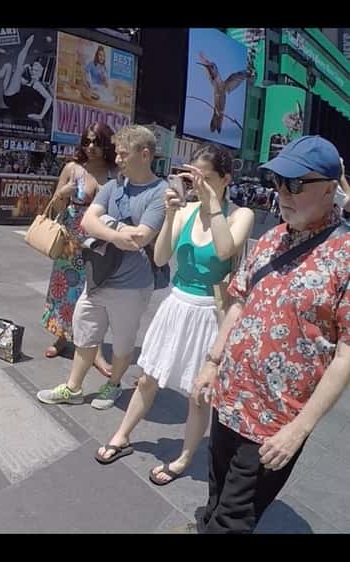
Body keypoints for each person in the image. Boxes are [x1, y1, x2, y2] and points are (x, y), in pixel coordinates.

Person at [190, 136, 350, 533]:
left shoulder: (345, 255)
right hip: (229, 397)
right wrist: (211, 363)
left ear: (330, 188)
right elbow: (239, 303)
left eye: (295, 184)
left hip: (273, 422)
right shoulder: (272, 238)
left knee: (234, 518)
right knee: (215, 490)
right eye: (278, 182)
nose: (283, 193)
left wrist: (299, 429)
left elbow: (346, 356)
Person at [94, 145, 255, 485]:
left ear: (226, 179)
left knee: (199, 395)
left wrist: (213, 206)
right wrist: (169, 216)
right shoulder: (185, 212)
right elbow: (161, 257)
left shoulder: (240, 215)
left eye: (206, 179)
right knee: (149, 375)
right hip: (176, 305)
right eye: (192, 177)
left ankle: (183, 457)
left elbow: (226, 251)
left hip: (211, 314)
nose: (197, 185)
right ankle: (122, 435)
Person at [37, 125, 168, 410]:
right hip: (97, 275)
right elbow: (87, 222)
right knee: (84, 333)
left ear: (144, 155)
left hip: (132, 284)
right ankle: (73, 387)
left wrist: (107, 226)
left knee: (122, 343)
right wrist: (119, 233)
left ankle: (113, 385)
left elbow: (141, 238)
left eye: (123, 154)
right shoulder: (112, 186)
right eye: (117, 154)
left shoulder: (160, 193)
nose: (118, 159)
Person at [41, 124, 118, 378]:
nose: (91, 147)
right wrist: (63, 193)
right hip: (72, 242)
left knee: (97, 296)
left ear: (107, 143)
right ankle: (62, 338)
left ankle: (94, 350)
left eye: (97, 142)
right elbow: (54, 205)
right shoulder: (72, 169)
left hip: (101, 243)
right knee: (66, 292)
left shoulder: (114, 172)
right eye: (87, 142)